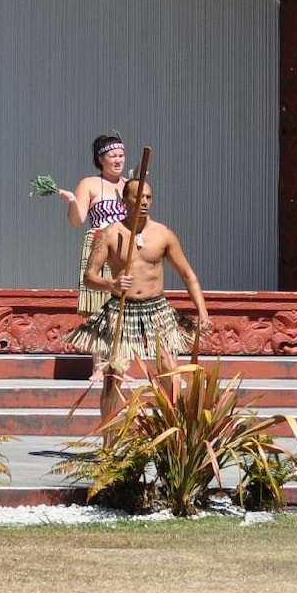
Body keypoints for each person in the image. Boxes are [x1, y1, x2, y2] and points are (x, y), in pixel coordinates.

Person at [67, 178, 212, 421]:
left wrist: (203, 311)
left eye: (148, 197)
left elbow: (188, 275)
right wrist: (110, 283)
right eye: (138, 197)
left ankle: (171, 436)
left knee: (170, 371)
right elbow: (89, 276)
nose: (144, 202)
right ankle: (109, 443)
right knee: (112, 376)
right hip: (121, 309)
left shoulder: (163, 234)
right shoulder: (110, 234)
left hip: (156, 309)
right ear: (125, 200)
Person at [57, 133, 130, 316]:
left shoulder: (130, 185)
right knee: (99, 310)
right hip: (100, 247)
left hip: (125, 249)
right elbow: (76, 221)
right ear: (100, 159)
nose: (118, 160)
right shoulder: (89, 184)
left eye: (121, 155)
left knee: (126, 308)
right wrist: (73, 201)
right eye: (113, 156)